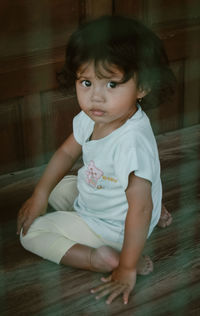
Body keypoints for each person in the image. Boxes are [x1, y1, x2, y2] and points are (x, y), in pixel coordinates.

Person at [17, 15, 175, 305]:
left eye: (112, 85)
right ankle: (156, 209)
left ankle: (101, 258)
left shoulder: (131, 142)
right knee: (61, 184)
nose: (96, 98)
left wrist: (127, 268)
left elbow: (138, 211)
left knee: (31, 234)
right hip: (121, 207)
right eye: (87, 82)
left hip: (118, 229)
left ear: (143, 88)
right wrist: (40, 194)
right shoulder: (93, 118)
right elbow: (66, 153)